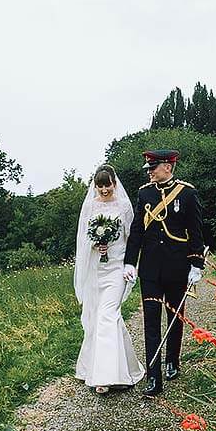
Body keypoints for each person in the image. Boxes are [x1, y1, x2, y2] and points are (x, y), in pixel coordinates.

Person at [123, 150, 205, 396]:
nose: (149, 171)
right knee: (150, 322)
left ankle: (172, 360)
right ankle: (153, 376)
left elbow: (196, 231)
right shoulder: (144, 193)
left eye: (153, 167)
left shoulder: (187, 193)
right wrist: (130, 262)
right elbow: (137, 230)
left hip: (177, 266)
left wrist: (196, 264)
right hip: (149, 269)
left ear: (168, 166)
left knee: (175, 316)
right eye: (149, 168)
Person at [74, 164, 146, 394]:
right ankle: (124, 368)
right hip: (97, 268)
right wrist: (96, 242)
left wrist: (129, 265)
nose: (104, 190)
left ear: (114, 184)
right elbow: (83, 238)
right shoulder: (91, 205)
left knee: (108, 314)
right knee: (100, 318)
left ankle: (105, 377)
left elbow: (131, 238)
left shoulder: (124, 206)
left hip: (116, 268)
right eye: (100, 186)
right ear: (95, 186)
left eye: (107, 185)